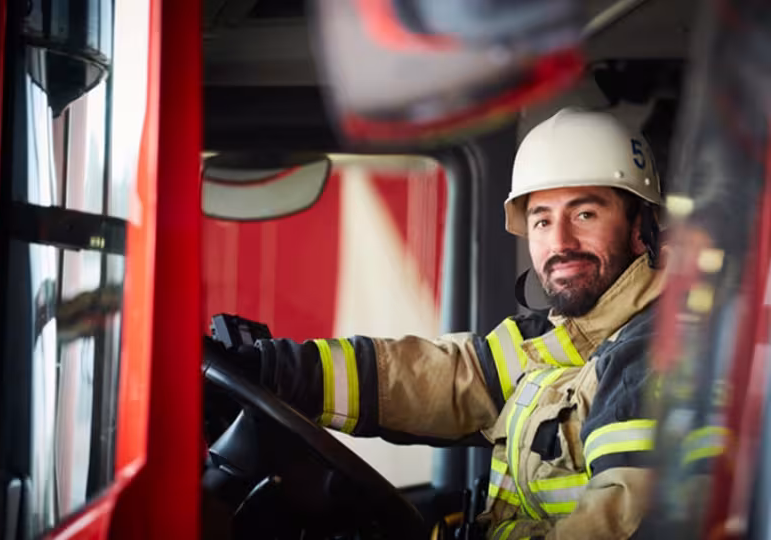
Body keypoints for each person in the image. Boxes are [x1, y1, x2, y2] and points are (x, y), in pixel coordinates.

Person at [239, 107, 666, 539]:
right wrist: (284, 369)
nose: (559, 242)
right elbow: (444, 377)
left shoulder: (653, 353)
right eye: (542, 220)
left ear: (641, 227)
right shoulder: (558, 341)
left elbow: (623, 527)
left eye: (584, 214)